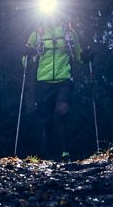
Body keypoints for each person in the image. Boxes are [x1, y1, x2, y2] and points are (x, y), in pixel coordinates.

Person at [24, 19, 92, 162]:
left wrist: (86, 56)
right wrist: (27, 54)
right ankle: (49, 155)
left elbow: (78, 54)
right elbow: (25, 61)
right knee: (46, 120)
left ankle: (65, 152)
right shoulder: (37, 34)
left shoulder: (69, 33)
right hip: (43, 81)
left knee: (62, 111)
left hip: (64, 79)